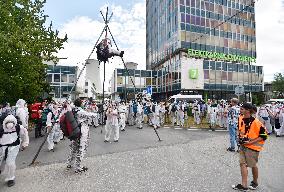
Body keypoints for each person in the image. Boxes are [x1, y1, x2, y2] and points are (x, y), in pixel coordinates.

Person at [232, 103, 268, 191]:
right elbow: (239, 129)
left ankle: (255, 182)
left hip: (253, 148)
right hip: (243, 145)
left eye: (242, 109)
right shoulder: (241, 118)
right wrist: (238, 137)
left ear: (248, 110)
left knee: (253, 165)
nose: (240, 111)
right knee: (242, 164)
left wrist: (250, 142)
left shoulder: (256, 122)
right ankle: (244, 185)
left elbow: (264, 136)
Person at [0, 115, 29, 187]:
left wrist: (25, 143)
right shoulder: (1, 129)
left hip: (13, 147)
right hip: (2, 147)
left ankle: (10, 178)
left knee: (10, 163)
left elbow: (25, 134)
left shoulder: (18, 127)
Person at [66, 99, 91, 173]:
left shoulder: (73, 110)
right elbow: (93, 115)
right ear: (80, 104)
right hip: (82, 131)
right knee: (81, 148)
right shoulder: (81, 111)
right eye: (82, 102)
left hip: (74, 131)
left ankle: (69, 163)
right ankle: (78, 167)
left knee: (73, 148)